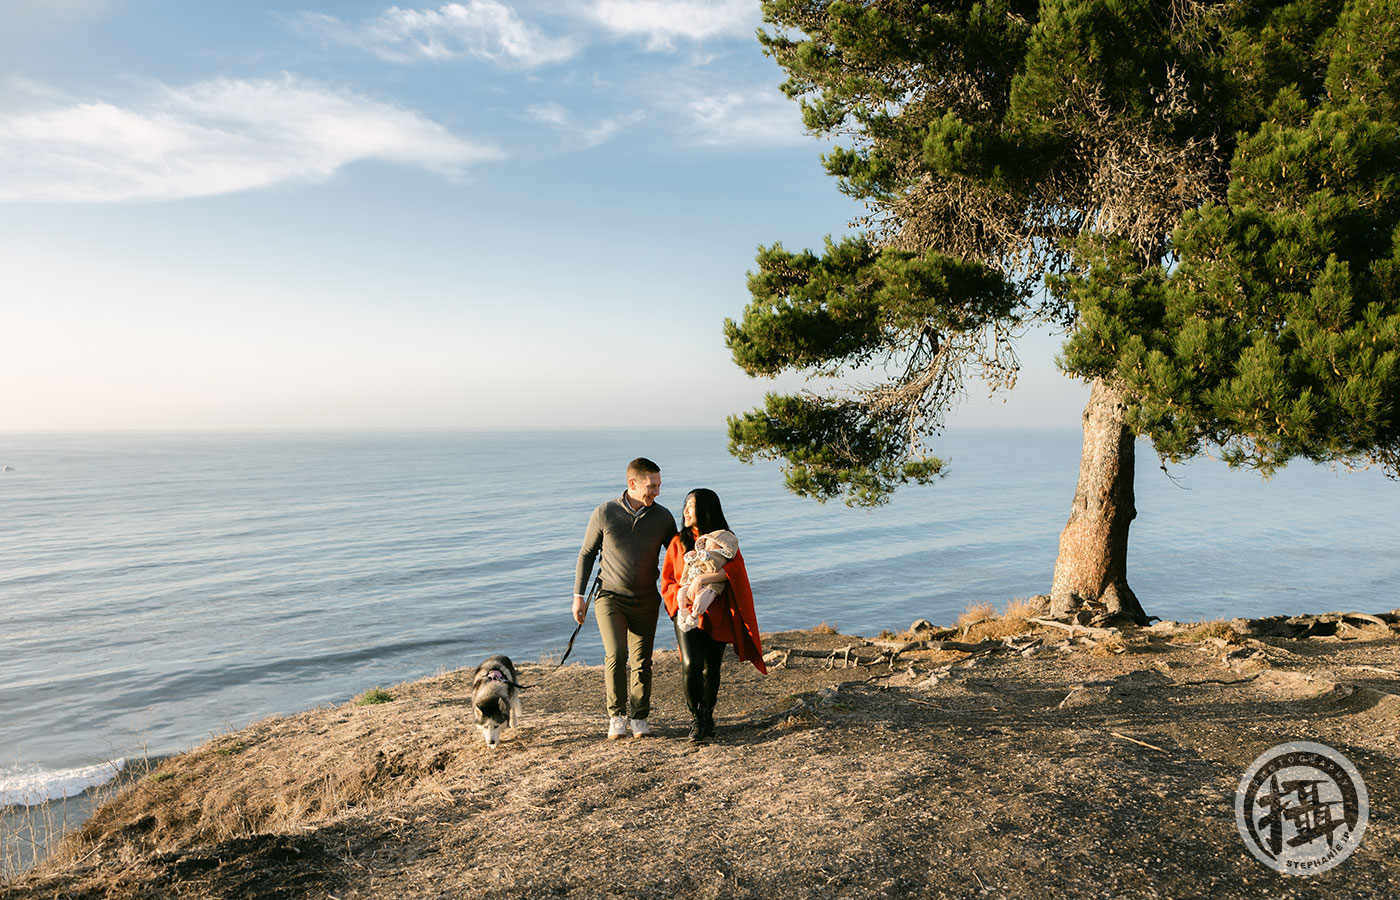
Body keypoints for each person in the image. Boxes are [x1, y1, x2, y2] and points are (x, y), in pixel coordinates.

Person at [574, 457, 677, 739]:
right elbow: (587, 553)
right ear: (632, 483)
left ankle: (640, 717)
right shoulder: (605, 512)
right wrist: (578, 596)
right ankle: (617, 716)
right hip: (610, 597)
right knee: (617, 654)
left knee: (643, 660)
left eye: (658, 485)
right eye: (651, 486)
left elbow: (678, 554)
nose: (656, 492)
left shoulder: (663, 517)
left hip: (646, 599)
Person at [661, 489, 766, 743]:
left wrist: (704, 578)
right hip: (686, 610)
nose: (685, 510)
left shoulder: (725, 541)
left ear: (707, 509)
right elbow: (667, 581)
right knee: (691, 664)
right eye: (685, 505)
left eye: (691, 506)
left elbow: (737, 572)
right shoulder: (678, 542)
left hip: (716, 609)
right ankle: (696, 719)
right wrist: (683, 596)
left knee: (712, 669)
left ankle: (708, 716)